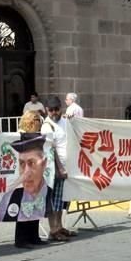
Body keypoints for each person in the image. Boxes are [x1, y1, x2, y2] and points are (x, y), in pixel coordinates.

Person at [0, 133, 49, 248]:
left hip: (36, 188)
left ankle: (33, 236)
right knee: (23, 211)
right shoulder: (10, 195)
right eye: (22, 163)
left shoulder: (46, 188)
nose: (27, 170)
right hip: (21, 189)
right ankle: (21, 239)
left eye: (32, 163)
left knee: (36, 209)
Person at [40, 97, 73, 241]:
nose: (54, 112)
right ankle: (53, 229)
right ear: (47, 110)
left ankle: (59, 226)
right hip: (54, 169)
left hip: (68, 166)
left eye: (56, 109)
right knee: (54, 200)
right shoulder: (47, 126)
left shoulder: (65, 122)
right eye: (51, 110)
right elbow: (51, 150)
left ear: (61, 108)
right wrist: (60, 168)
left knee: (61, 200)